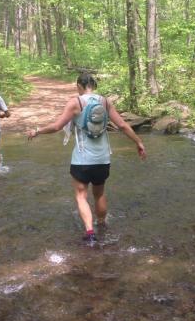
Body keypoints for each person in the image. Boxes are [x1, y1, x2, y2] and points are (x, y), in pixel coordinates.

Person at [28, 73, 146, 245]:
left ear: (79, 86)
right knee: (99, 195)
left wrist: (37, 131)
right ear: (94, 85)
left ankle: (90, 233)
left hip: (82, 161)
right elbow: (122, 125)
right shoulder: (105, 102)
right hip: (103, 159)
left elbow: (57, 126)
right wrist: (139, 142)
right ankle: (102, 225)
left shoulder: (75, 102)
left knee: (81, 196)